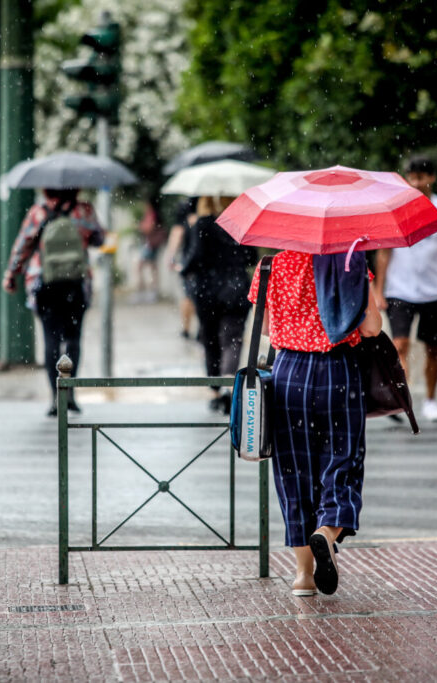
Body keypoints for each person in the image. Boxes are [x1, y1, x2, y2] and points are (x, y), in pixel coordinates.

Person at [249, 249, 382, 597]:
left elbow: (262, 326)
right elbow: (372, 327)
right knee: (343, 461)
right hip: (338, 370)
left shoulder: (269, 265)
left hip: (287, 374)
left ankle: (303, 576)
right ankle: (326, 530)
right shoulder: (350, 262)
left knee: (293, 472)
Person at [373, 155, 437, 422]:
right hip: (400, 288)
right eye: (411, 177)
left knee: (433, 348)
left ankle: (430, 399)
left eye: (420, 177)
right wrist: (379, 290)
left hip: (436, 289)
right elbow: (384, 253)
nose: (415, 183)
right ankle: (403, 398)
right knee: (400, 344)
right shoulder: (397, 209)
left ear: (431, 178)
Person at [2, 188, 105, 416]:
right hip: (76, 283)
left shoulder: (39, 212)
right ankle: (71, 395)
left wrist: (11, 274)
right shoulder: (84, 210)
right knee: (73, 339)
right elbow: (100, 239)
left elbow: (22, 245)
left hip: (44, 282)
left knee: (51, 339)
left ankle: (55, 397)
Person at [180, 195, 258, 413]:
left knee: (210, 339)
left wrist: (183, 268)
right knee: (232, 340)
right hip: (236, 290)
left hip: (208, 292)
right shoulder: (240, 224)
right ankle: (228, 385)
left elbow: (194, 258)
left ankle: (215, 391)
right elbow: (251, 257)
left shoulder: (203, 225)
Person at [165, 197, 199, 339]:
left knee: (188, 296)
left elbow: (178, 232)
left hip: (189, 261)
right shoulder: (212, 202)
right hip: (207, 262)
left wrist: (171, 256)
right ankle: (201, 329)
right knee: (198, 296)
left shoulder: (186, 204)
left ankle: (186, 329)